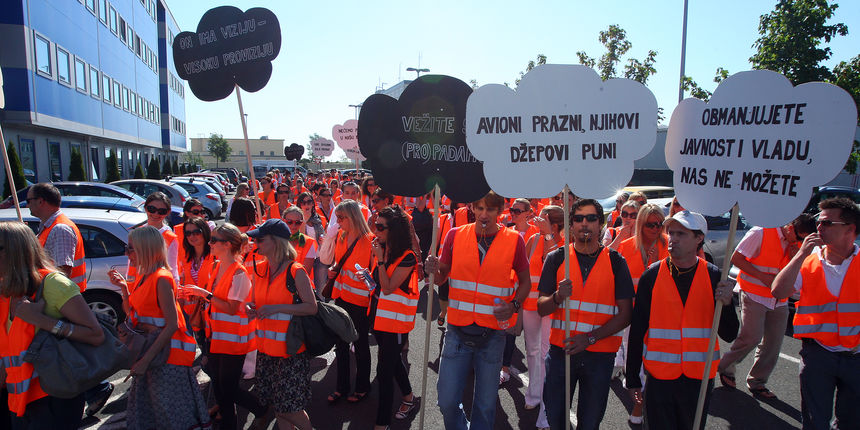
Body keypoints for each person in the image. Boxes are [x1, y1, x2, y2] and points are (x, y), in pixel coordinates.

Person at [424, 191, 531, 430]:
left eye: (490, 209)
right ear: (472, 208)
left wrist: (514, 305)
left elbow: (526, 282)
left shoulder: (514, 240)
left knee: (485, 405)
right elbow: (440, 277)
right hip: (457, 330)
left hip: (493, 333)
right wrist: (431, 269)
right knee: (447, 401)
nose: (484, 214)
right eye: (479, 208)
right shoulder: (454, 235)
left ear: (500, 211)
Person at [626, 210, 738, 430]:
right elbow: (637, 330)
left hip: (698, 379)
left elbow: (730, 334)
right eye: (671, 233)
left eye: (681, 234)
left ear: (699, 238)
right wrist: (632, 378)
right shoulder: (652, 276)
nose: (673, 239)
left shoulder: (715, 276)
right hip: (659, 377)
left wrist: (726, 305)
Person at [536, 198, 634, 430]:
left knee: (589, 422)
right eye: (578, 218)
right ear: (571, 225)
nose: (584, 223)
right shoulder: (557, 258)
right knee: (556, 419)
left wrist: (590, 338)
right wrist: (557, 297)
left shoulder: (616, 262)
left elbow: (626, 314)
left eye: (591, 218)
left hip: (599, 356)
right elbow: (541, 307)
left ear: (600, 223)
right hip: (562, 353)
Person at [0, 221, 105, 429]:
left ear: (14, 251)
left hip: (53, 398)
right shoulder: (7, 290)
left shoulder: (54, 284)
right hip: (19, 400)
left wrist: (42, 321)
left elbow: (96, 335)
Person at [107, 226, 210, 430]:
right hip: (153, 355)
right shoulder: (144, 275)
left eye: (130, 248)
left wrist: (145, 361)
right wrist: (124, 289)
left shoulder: (161, 278)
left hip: (167, 359)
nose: (127, 253)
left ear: (146, 249)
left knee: (172, 417)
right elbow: (133, 314)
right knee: (154, 415)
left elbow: (172, 324)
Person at [26, 184, 115, 415]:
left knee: (68, 348)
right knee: (69, 348)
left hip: (62, 301)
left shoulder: (59, 229)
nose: (27, 205)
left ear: (41, 201)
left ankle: (97, 388)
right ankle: (96, 388)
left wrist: (50, 299)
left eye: (29, 200)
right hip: (61, 299)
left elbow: (62, 271)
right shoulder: (50, 227)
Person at [771, 197, 860, 429]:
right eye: (818, 222)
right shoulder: (809, 260)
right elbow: (778, 291)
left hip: (856, 358)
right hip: (818, 355)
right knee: (814, 423)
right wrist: (801, 254)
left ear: (850, 229)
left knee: (851, 422)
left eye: (827, 223)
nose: (819, 227)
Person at [181, 224, 269, 430]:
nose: (209, 243)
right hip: (216, 337)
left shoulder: (239, 273)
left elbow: (231, 308)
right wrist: (197, 296)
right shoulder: (216, 266)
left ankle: (261, 409)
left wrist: (204, 294)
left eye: (214, 240)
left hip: (234, 340)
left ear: (227, 244)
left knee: (228, 389)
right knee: (221, 390)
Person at [717, 214, 815, 398]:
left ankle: (757, 381)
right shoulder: (760, 232)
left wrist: (795, 256)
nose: (801, 242)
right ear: (790, 228)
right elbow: (736, 259)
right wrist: (762, 277)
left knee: (773, 344)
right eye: (799, 237)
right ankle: (725, 367)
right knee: (751, 337)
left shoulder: (799, 244)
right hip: (753, 293)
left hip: (779, 299)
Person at [246, 219, 317, 430]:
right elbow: (254, 301)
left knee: (289, 409)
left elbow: (311, 307)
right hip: (266, 351)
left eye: (260, 239)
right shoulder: (259, 269)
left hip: (290, 352)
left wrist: (277, 308)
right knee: (278, 407)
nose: (255, 243)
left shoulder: (296, 271)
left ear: (276, 242)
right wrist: (250, 307)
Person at [367, 207, 419, 429]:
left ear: (394, 230)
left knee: (384, 371)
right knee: (393, 362)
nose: (375, 231)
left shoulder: (407, 257)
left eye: (380, 227)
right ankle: (408, 397)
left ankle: (382, 424)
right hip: (378, 318)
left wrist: (379, 261)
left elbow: (388, 287)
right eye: (375, 225)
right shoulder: (383, 248)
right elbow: (378, 283)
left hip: (395, 323)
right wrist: (367, 275)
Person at [327, 200, 375, 404]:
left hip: (360, 303)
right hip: (341, 298)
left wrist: (365, 276)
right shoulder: (341, 236)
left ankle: (362, 387)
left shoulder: (370, 241)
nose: (337, 221)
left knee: (361, 345)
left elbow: (375, 279)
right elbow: (339, 261)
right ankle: (342, 387)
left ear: (353, 217)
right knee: (341, 345)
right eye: (337, 217)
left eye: (341, 218)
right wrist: (334, 268)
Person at [521, 205, 565, 429]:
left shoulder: (565, 243)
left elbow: (555, 262)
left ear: (554, 224)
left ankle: (546, 409)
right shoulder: (533, 239)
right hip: (530, 304)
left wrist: (549, 235)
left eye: (542, 219)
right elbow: (522, 269)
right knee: (532, 350)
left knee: (547, 354)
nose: (536, 222)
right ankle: (534, 393)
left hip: (551, 306)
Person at [177, 217, 215, 346]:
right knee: (203, 350)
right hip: (195, 316)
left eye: (196, 232)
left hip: (213, 314)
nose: (192, 236)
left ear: (205, 231)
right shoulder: (186, 258)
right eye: (188, 233)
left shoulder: (215, 255)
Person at [128, 192, 180, 284]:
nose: (156, 214)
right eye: (152, 209)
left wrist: (174, 289)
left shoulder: (170, 238)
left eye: (161, 211)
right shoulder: (137, 233)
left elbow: (172, 269)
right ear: (145, 208)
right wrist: (129, 285)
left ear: (168, 212)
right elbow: (131, 264)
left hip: (157, 286)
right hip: (137, 285)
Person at [617, 203, 668, 290]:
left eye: (659, 224)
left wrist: (657, 263)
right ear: (641, 224)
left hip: (660, 295)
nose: (655, 229)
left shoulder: (670, 244)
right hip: (633, 297)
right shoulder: (625, 246)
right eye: (650, 225)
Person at [283, 207, 318, 275]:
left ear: (302, 223)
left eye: (298, 222)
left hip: (300, 280)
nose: (293, 225)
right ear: (283, 221)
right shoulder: (275, 240)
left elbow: (306, 272)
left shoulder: (308, 242)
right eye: (289, 222)